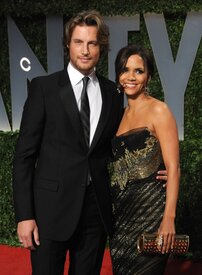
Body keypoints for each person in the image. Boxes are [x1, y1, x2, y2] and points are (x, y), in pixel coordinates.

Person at [12, 10, 167, 275]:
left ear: (101, 47)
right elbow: (24, 157)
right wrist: (24, 216)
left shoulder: (112, 92)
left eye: (92, 43)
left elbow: (118, 148)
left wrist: (156, 170)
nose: (85, 50)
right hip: (50, 213)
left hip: (95, 215)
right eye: (79, 42)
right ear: (68, 45)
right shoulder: (44, 88)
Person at [109, 44, 180, 275]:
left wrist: (168, 218)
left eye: (138, 71)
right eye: (125, 70)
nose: (130, 77)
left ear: (148, 76)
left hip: (150, 213)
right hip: (120, 218)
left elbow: (173, 167)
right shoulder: (119, 115)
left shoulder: (159, 110)